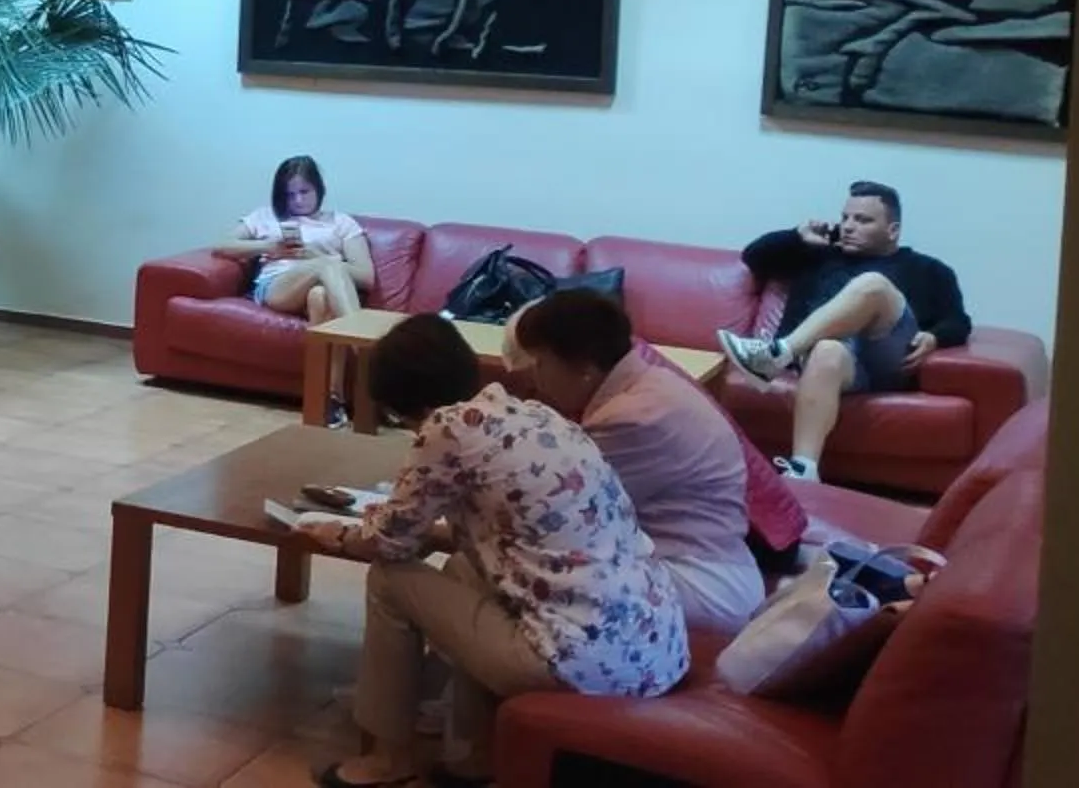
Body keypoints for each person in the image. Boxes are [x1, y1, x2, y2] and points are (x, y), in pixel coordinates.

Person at [288, 315, 688, 787]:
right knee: (463, 569)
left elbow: (389, 543)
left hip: (578, 663)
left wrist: (330, 531)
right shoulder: (535, 415)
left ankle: (385, 761)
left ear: (404, 403)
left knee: (390, 579)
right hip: (653, 647)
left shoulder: (447, 429)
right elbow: (502, 537)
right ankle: (473, 759)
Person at [512, 290, 765, 633]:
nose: (531, 377)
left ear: (585, 368)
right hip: (714, 565)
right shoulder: (651, 383)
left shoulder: (630, 419)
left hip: (699, 581)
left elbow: (551, 512)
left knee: (500, 574)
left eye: (540, 362)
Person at [715, 181, 974, 481]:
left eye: (863, 220)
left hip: (881, 357)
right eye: (846, 218)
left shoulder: (928, 269)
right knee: (828, 350)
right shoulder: (818, 255)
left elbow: (959, 321)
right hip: (828, 360)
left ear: (893, 230)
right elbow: (754, 257)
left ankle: (775, 356)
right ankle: (803, 469)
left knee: (873, 285)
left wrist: (936, 336)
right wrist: (797, 237)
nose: (849, 226)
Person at [225, 155, 374, 322]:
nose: (298, 200)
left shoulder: (341, 222)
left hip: (324, 286)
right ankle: (363, 340)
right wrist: (269, 246)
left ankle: (337, 346)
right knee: (327, 265)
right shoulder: (266, 216)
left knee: (319, 297)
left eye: (304, 192)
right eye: (289, 195)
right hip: (277, 286)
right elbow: (223, 245)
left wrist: (315, 256)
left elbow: (366, 277)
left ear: (319, 189)